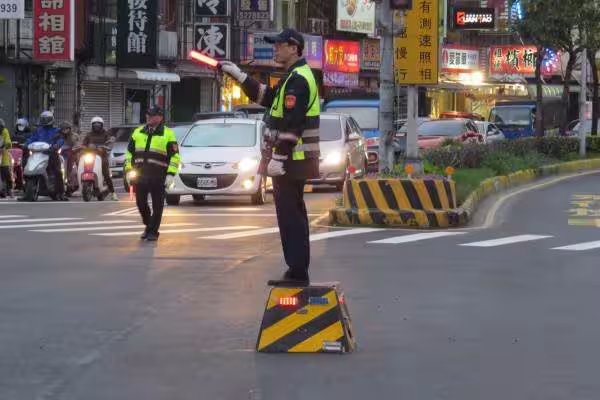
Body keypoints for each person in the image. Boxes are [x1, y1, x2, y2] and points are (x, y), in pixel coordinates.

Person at [220, 28, 320, 285]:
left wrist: (280, 158)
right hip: (292, 161)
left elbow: (293, 123)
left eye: (279, 45)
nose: (274, 49)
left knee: (290, 216)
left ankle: (297, 272)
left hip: (292, 161)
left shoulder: (298, 80)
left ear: (294, 48)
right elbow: (267, 97)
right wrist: (240, 76)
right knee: (292, 214)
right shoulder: (292, 77)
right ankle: (296, 269)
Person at [124, 106, 180, 241]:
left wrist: (170, 174)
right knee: (140, 204)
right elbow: (129, 153)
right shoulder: (138, 132)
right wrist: (128, 170)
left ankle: (153, 232)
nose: (148, 117)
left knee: (157, 206)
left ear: (160, 117)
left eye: (152, 115)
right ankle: (149, 225)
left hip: (159, 176)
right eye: (147, 114)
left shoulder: (168, 134)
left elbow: (175, 156)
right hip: (140, 175)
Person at [20, 111, 67, 201]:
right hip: (38, 153)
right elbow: (31, 139)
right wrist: (26, 144)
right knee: (27, 169)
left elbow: (60, 140)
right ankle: (26, 193)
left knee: (57, 171)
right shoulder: (38, 131)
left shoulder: (56, 130)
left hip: (51, 153)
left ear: (51, 120)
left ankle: (60, 193)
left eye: (46, 119)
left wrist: (56, 146)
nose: (44, 121)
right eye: (43, 119)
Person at [82, 117, 118, 201]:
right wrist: (83, 147)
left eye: (98, 124)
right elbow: (83, 143)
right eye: (95, 124)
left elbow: (110, 143)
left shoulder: (106, 134)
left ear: (102, 125)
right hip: (90, 156)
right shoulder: (89, 134)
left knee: (106, 173)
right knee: (83, 166)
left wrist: (106, 147)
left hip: (102, 156)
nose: (97, 126)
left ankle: (113, 193)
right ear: (92, 125)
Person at [0, 119, 13, 198]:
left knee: (6, 172)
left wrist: (6, 146)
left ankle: (10, 189)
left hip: (3, 154)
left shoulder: (5, 131)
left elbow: (8, 141)